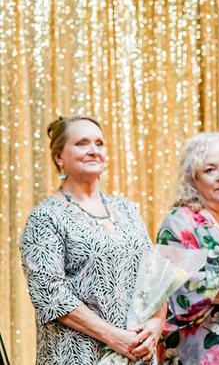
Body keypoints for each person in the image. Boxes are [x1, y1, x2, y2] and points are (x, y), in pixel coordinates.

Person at [20, 116, 165, 364]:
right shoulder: (46, 216)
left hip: (135, 354)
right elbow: (51, 295)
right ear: (59, 157)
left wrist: (156, 324)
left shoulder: (127, 209)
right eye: (82, 143)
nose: (93, 151)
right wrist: (115, 337)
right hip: (77, 356)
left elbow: (155, 276)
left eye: (99, 143)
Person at [156, 132, 219, 365]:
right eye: (210, 170)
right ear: (193, 179)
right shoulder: (179, 222)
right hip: (202, 352)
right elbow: (178, 286)